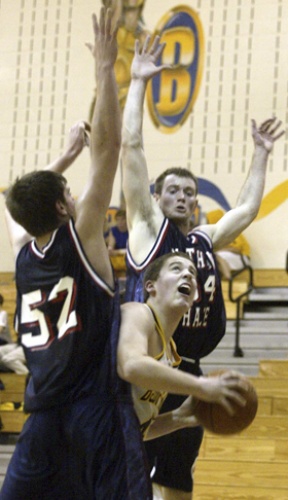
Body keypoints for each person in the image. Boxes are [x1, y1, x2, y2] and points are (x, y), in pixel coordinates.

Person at [121, 35, 285, 499]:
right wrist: (137, 84)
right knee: (126, 473)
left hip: (189, 366)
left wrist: (260, 152)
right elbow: (131, 146)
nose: (183, 197)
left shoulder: (204, 237)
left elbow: (249, 209)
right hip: (146, 366)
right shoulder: (148, 228)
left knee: (177, 482)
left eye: (190, 192)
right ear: (156, 197)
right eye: (173, 190)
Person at [1, 7, 152, 500]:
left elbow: (16, 203)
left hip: (41, 412)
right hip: (91, 409)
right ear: (67, 205)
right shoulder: (81, 234)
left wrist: (63, 158)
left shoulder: (23, 253)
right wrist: (106, 69)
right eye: (68, 189)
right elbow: (106, 148)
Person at [117, 252, 248, 441]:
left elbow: (138, 431)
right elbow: (131, 365)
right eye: (176, 268)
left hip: (116, 449)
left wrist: (179, 418)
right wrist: (199, 385)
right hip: (81, 443)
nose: (187, 274)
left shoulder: (171, 353)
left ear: (194, 296)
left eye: (192, 273)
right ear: (151, 286)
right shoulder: (137, 312)